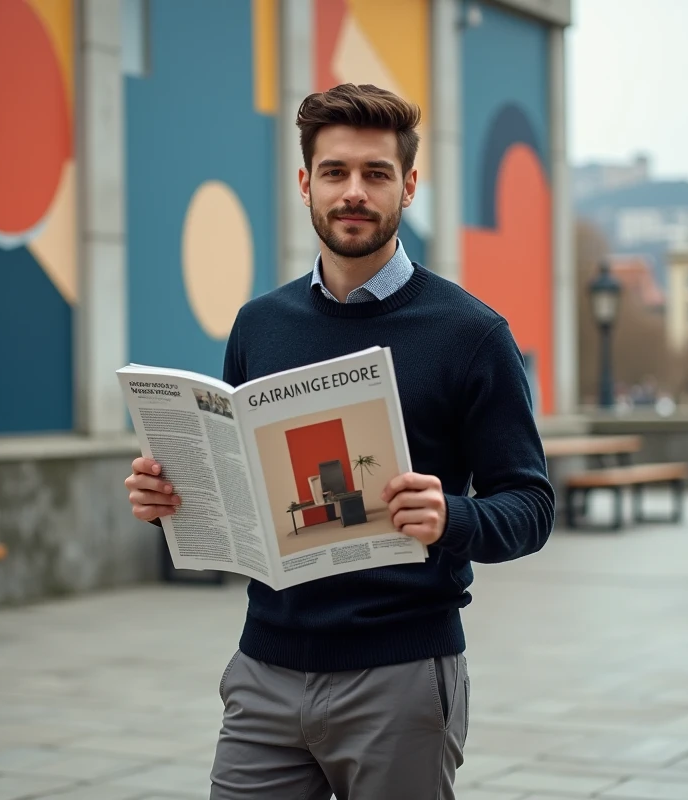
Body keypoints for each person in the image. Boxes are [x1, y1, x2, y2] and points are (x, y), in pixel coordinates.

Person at [124, 83, 554, 799]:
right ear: (305, 184)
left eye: (376, 174)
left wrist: (455, 516)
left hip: (401, 678)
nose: (353, 192)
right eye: (335, 172)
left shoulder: (471, 335)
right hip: (263, 673)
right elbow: (246, 499)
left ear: (409, 186)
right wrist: (174, 499)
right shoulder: (259, 325)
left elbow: (532, 506)